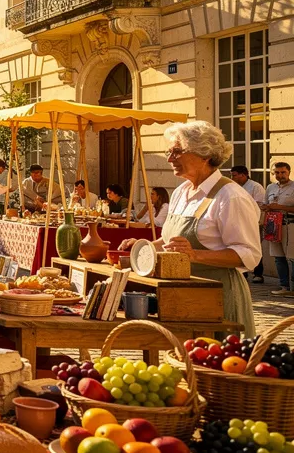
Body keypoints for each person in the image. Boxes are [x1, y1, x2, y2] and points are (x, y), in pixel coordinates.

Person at [118, 121, 259, 335]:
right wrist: (143, 247)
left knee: (216, 362)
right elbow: (171, 242)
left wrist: (195, 255)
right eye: (169, 152)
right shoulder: (181, 191)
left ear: (205, 155)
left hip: (218, 299)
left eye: (177, 152)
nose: (169, 158)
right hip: (180, 298)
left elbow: (249, 255)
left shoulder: (231, 197)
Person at [263, 162, 294, 295]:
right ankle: (284, 287)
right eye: (277, 173)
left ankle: (293, 288)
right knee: (278, 257)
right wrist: (265, 207)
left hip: (290, 224)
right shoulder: (270, 187)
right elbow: (266, 204)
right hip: (274, 225)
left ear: (289, 172)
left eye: (283, 172)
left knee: (292, 257)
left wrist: (280, 207)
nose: (280, 175)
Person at [232, 165, 266, 282]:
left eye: (234, 175)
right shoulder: (234, 187)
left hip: (254, 221)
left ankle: (258, 274)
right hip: (238, 221)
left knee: (255, 245)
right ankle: (243, 273)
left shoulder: (255, 187)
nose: (232, 177)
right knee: (241, 246)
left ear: (243, 175)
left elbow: (260, 204)